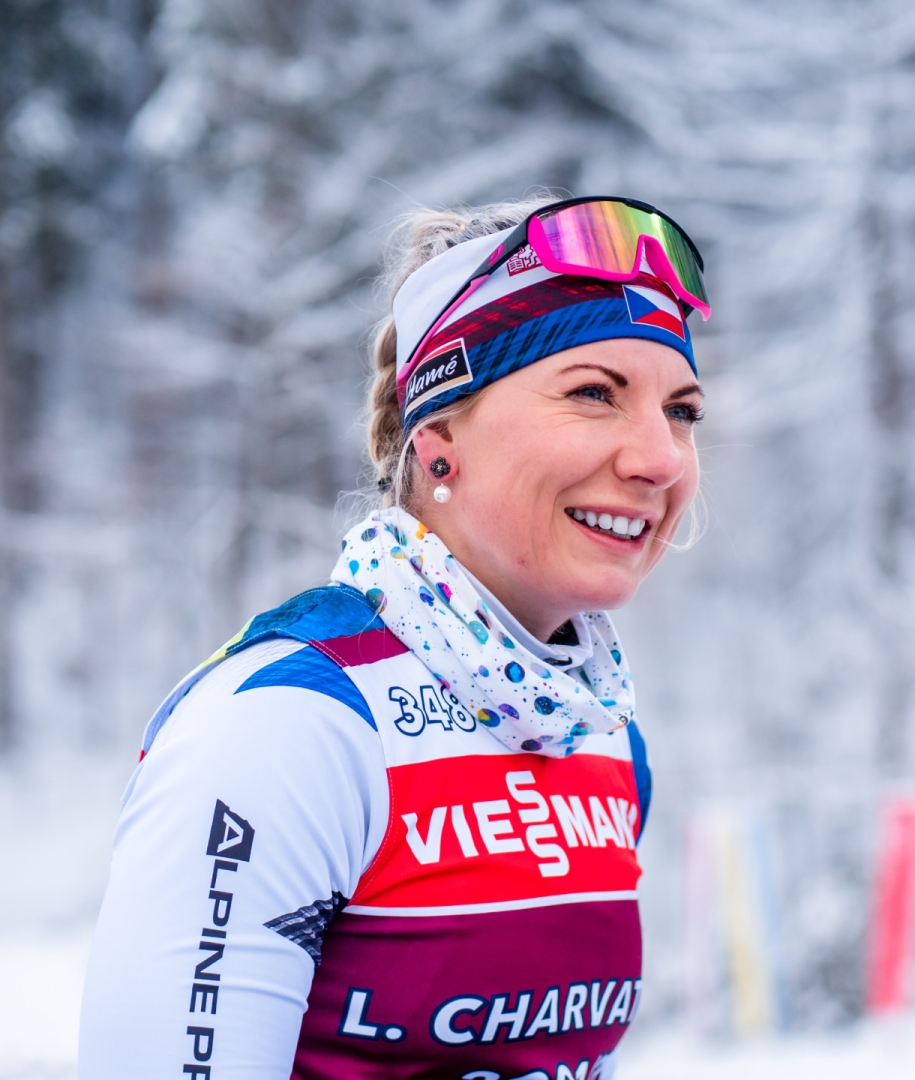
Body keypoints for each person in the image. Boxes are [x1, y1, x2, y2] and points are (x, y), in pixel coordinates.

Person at [78, 194, 710, 1080]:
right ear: (440, 438)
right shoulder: (291, 722)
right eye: (594, 394)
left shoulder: (597, 730)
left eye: (682, 412)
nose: (662, 458)